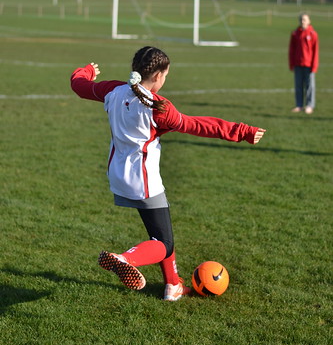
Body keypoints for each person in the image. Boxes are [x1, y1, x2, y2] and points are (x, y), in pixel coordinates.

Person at [71, 46, 266, 301]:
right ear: (159, 75)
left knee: (160, 233)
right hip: (144, 181)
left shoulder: (113, 91)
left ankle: (172, 286)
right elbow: (196, 125)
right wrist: (242, 131)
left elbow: (79, 85)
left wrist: (87, 71)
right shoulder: (158, 107)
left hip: (118, 175)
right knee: (164, 244)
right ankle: (125, 258)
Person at [289, 13, 319, 114]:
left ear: (309, 21)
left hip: (309, 65)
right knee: (298, 86)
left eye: (305, 19)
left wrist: (314, 65)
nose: (303, 21)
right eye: (301, 19)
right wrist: (291, 63)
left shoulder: (313, 34)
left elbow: (315, 51)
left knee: (310, 86)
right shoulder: (295, 33)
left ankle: (310, 105)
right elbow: (291, 50)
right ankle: (299, 105)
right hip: (298, 64)